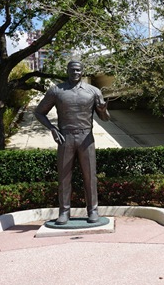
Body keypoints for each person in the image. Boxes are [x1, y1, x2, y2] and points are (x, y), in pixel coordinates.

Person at [34, 61, 110, 225]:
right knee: (64, 177)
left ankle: (93, 211)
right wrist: (52, 128)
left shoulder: (94, 91)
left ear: (82, 71)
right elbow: (39, 112)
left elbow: (105, 118)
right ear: (67, 70)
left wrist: (103, 110)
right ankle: (64, 212)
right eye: (72, 69)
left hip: (86, 138)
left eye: (78, 69)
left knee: (90, 176)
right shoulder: (56, 90)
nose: (75, 72)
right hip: (65, 137)